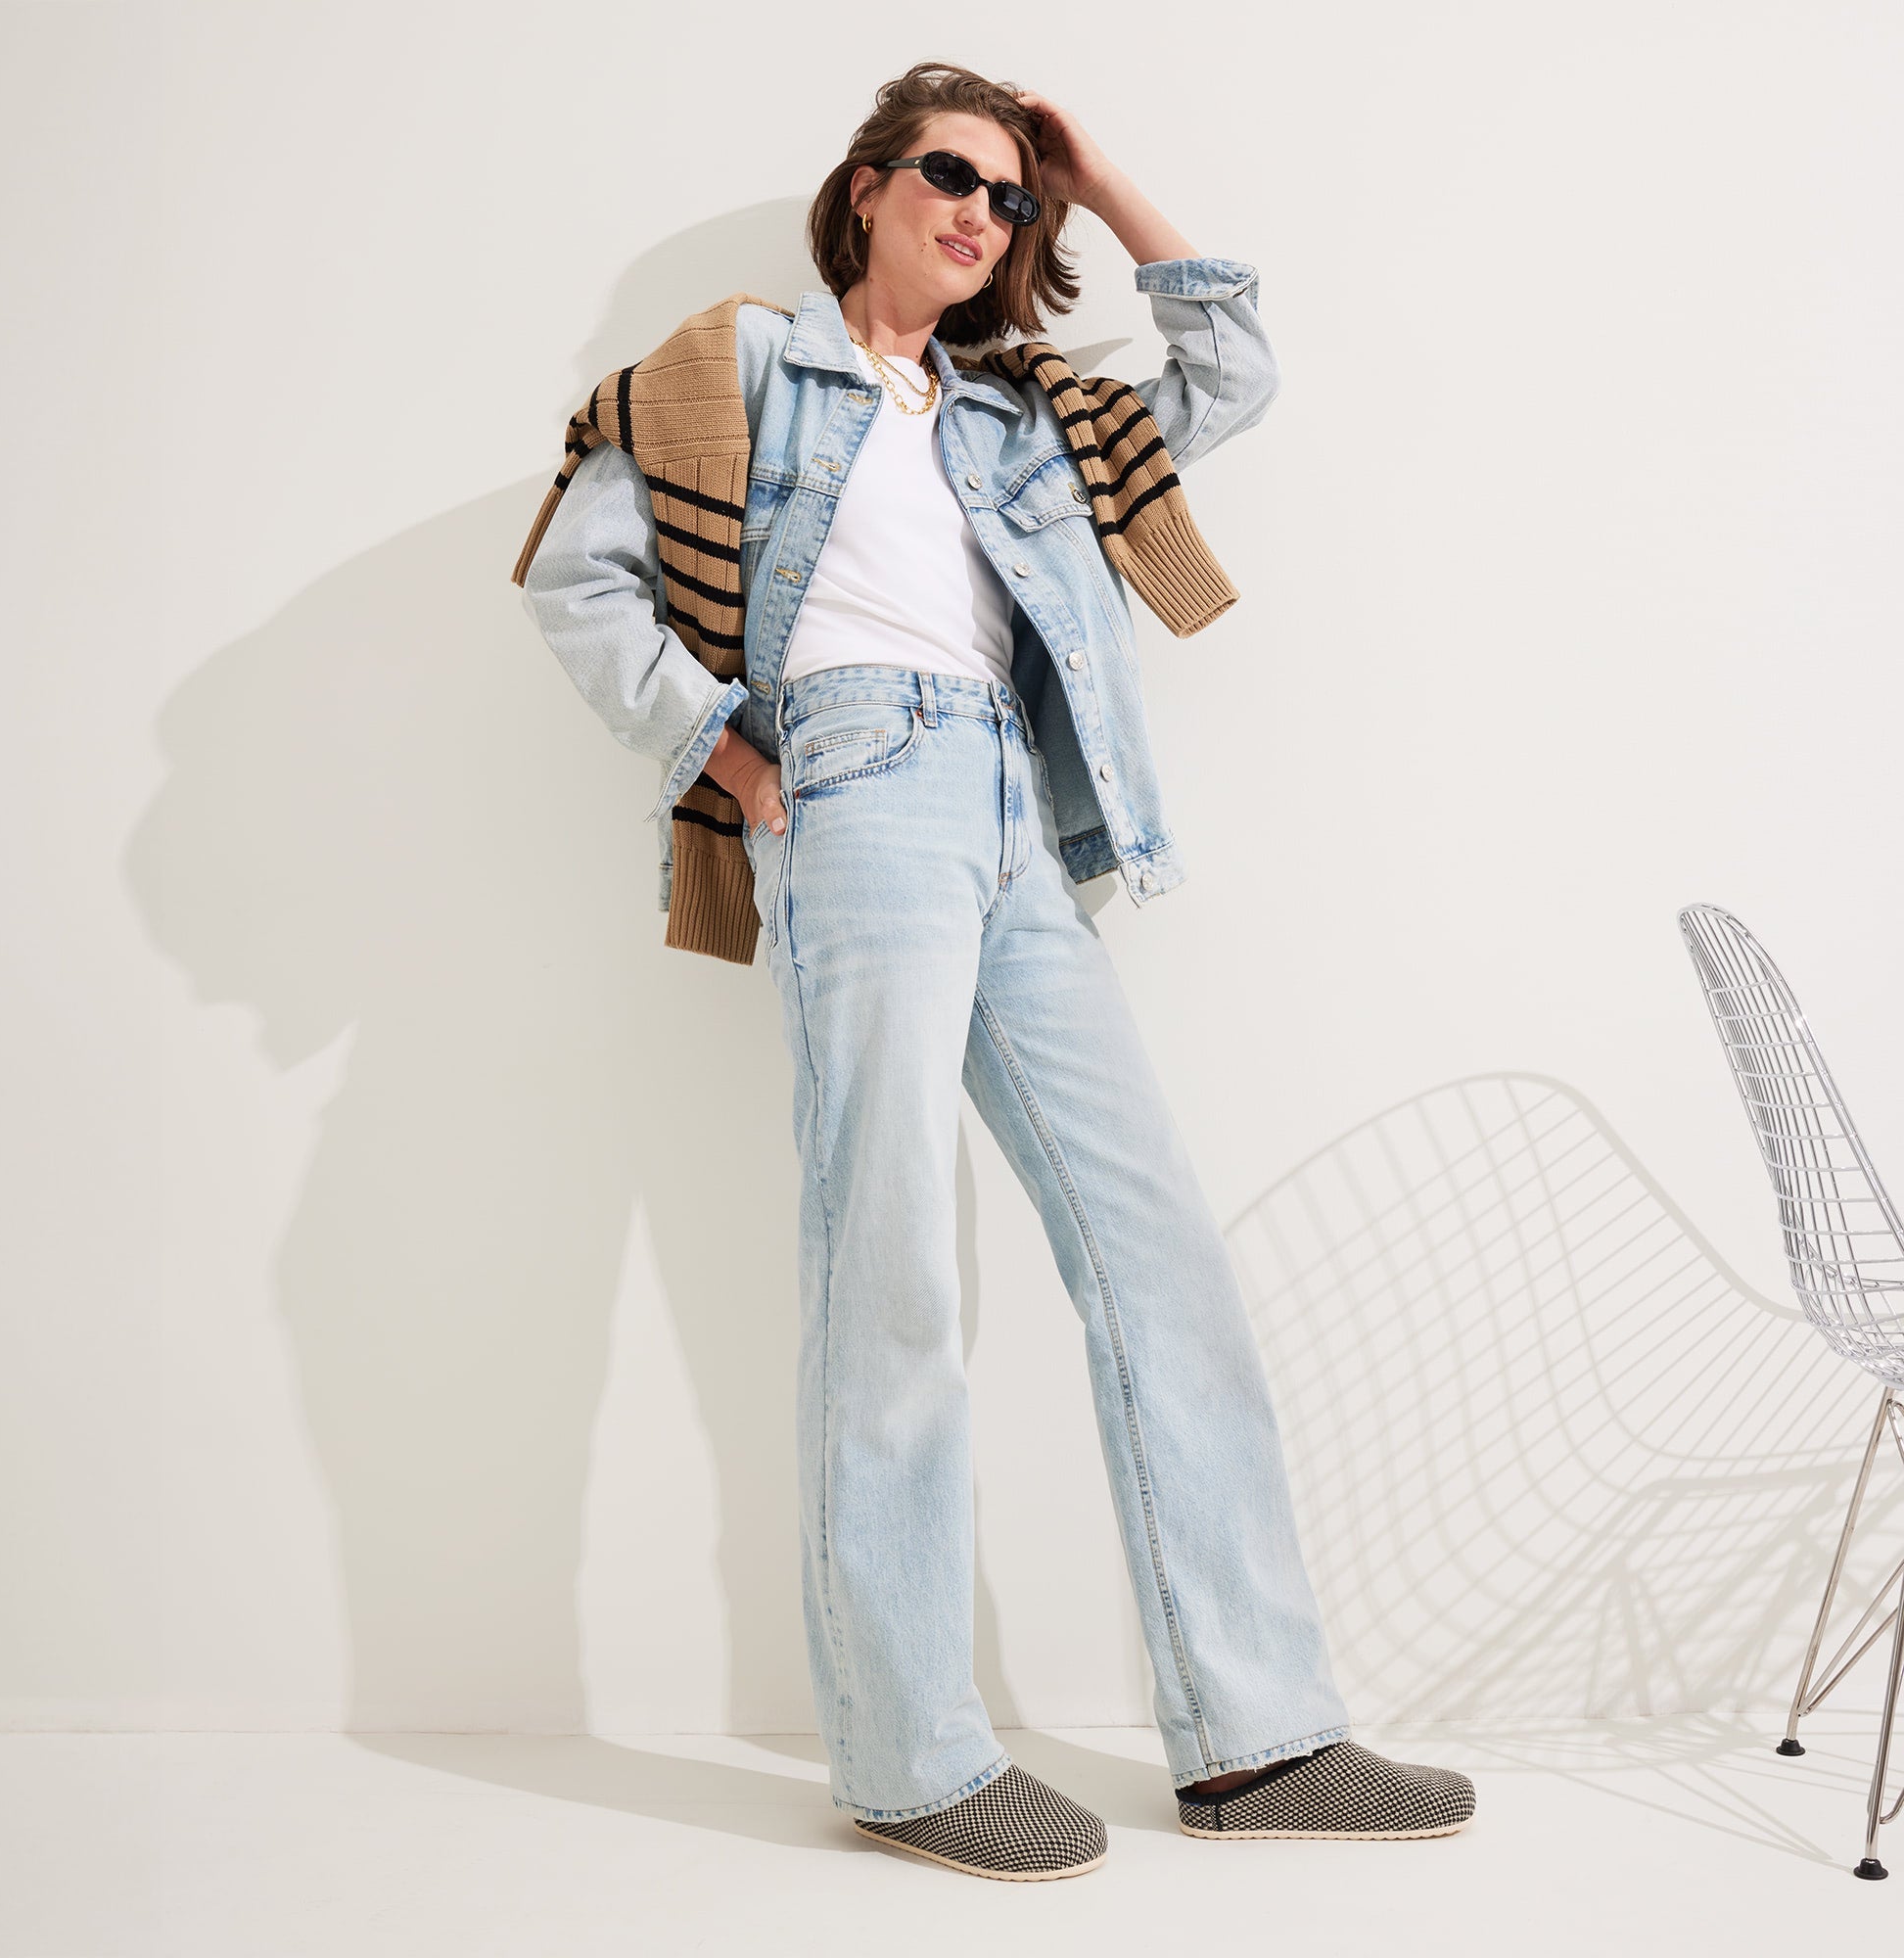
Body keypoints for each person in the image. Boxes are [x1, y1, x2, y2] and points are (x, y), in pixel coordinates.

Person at [520, 62, 1475, 1881]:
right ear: (867, 189)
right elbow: (580, 575)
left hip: (1022, 812)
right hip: (854, 786)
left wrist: (1096, 172)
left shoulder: (1024, 411)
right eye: (953, 177)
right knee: (892, 1267)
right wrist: (727, 754)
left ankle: (1257, 1740)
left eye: (1011, 199)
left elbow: (1232, 372)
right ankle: (909, 1758)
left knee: (1157, 1255)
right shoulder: (741, 368)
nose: (984, 213)